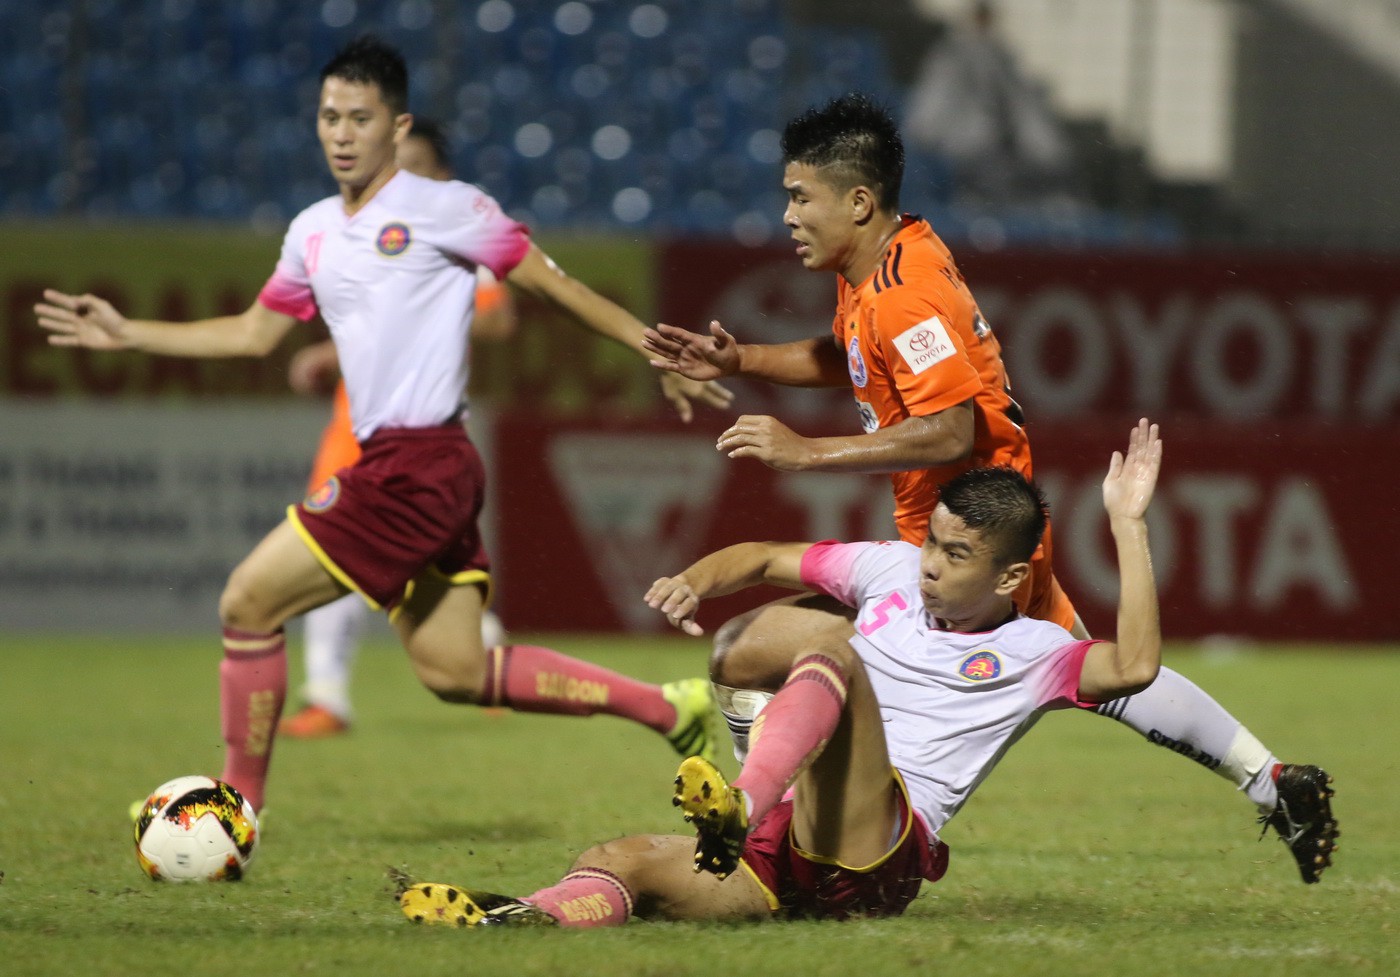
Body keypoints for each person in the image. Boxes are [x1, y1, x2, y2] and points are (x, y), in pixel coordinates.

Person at [642, 94, 1337, 883]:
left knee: (757, 650)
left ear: (858, 201)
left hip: (968, 532)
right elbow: (854, 358)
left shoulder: (904, 292)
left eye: (801, 197)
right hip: (962, 527)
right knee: (1093, 674)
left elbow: (951, 429)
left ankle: (764, 826)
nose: (788, 215)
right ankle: (1275, 782)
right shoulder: (880, 267)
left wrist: (806, 454)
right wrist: (742, 361)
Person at [35, 35, 732, 815]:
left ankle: (235, 812)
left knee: (246, 602)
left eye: (359, 118)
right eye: (329, 117)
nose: (341, 134)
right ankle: (668, 707)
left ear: (397, 127)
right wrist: (128, 332)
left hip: (420, 462)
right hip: (409, 464)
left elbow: (554, 286)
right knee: (455, 670)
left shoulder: (447, 208)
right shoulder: (311, 230)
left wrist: (654, 350)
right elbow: (253, 334)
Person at [391, 422, 1232, 927]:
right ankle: (518, 919)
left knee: (834, 650)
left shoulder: (1036, 652)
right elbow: (763, 555)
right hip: (795, 843)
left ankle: (741, 799)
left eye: (956, 554)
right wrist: (695, 579)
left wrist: (1129, 525)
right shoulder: (891, 568)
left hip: (880, 848)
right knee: (619, 860)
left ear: (1010, 576)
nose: (929, 563)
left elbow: (1136, 665)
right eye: (932, 541)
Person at [280, 118, 513, 739]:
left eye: (414, 168)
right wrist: (331, 353)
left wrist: (429, 309)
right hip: (353, 429)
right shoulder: (359, 236)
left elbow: (498, 321)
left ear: (443, 177)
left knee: (437, 567)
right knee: (326, 548)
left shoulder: (461, 237)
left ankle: (491, 663)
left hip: (425, 432)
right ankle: (327, 697)